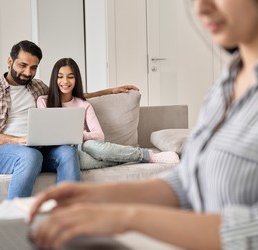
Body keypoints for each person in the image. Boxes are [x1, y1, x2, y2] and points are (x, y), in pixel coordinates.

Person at [28, 0, 258, 250]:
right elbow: (189, 183)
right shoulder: (225, 84)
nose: (200, 8)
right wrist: (97, 195)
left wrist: (125, 217)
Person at [0, 40, 138, 199]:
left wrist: (109, 91)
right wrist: (18, 140)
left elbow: (66, 93)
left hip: (40, 148)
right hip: (3, 153)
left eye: (33, 67)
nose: (28, 72)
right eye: (23, 65)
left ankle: (67, 213)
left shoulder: (37, 87)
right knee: (30, 156)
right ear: (10, 61)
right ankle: (16, 217)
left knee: (68, 151)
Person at [37, 57, 180, 170]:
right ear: (54, 79)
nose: (65, 81)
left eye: (70, 77)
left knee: (92, 146)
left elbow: (99, 136)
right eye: (60, 77)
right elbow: (45, 134)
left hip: (84, 146)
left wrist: (80, 135)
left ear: (76, 79)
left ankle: (148, 155)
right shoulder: (43, 102)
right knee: (78, 159)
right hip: (62, 153)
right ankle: (139, 156)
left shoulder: (84, 104)